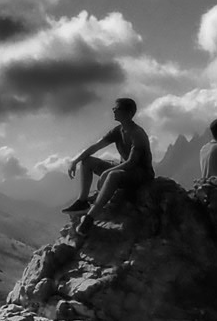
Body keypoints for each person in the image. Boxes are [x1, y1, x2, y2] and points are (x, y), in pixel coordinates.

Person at [62, 96, 153, 234]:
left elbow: (132, 163)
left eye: (117, 108)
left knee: (113, 175)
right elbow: (96, 146)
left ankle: (89, 219)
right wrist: (75, 161)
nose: (114, 111)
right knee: (87, 161)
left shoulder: (137, 134)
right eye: (114, 108)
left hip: (141, 174)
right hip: (126, 170)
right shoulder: (118, 131)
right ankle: (82, 201)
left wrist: (106, 173)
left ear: (128, 112)